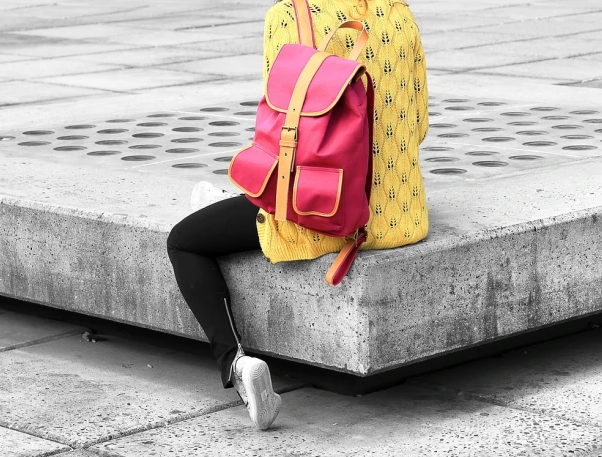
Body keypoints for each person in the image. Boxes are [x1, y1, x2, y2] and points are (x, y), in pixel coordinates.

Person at [166, 0, 429, 430]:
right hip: (401, 214)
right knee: (231, 203)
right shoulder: (398, 14)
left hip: (324, 213)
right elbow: (418, 124)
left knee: (184, 240)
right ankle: (221, 201)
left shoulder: (290, 15)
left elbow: (282, 128)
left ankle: (235, 363)